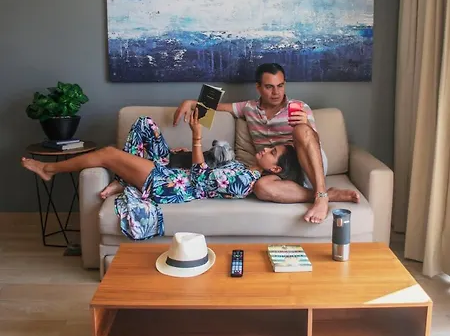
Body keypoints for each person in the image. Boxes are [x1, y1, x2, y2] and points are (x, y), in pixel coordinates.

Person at [21, 109, 302, 239]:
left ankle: (49, 169)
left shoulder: (246, 181)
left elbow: (201, 179)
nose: (266, 148)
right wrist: (186, 153)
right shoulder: (244, 166)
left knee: (107, 153)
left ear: (276, 169)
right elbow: (206, 165)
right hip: (175, 169)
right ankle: (125, 180)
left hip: (171, 185)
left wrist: (196, 137)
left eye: (273, 152)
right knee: (144, 123)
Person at [173, 63, 359, 224]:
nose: (276, 92)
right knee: (261, 188)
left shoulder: (299, 108)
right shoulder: (248, 108)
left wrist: (307, 125)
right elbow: (218, 106)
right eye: (269, 87)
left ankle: (321, 195)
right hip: (278, 172)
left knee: (301, 130)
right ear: (258, 87)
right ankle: (329, 194)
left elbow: (313, 144)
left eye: (280, 86)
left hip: (307, 165)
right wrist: (191, 102)